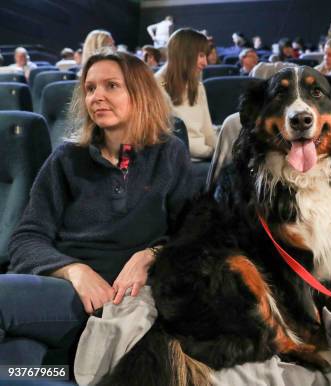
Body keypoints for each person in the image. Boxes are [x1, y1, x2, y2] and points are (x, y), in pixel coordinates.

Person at [0, 49, 193, 364]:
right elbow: (26, 240)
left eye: (111, 86)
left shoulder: (170, 155)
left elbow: (195, 236)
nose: (97, 96)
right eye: (90, 88)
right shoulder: (66, 158)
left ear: (139, 93)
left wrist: (151, 256)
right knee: (15, 362)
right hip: (65, 293)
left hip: (128, 302)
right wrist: (75, 270)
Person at [155, 28, 217, 161]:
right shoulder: (155, 86)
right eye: (201, 55)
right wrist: (210, 152)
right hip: (176, 163)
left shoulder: (197, 86)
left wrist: (220, 152)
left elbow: (208, 133)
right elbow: (171, 139)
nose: (205, 63)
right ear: (185, 54)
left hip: (204, 157)